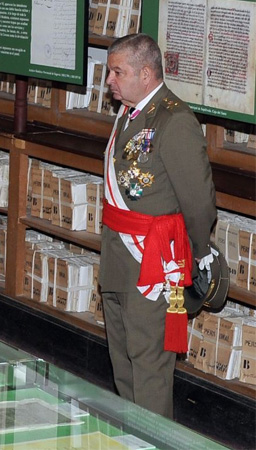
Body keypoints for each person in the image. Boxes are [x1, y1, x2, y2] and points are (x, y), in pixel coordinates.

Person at [100, 33, 216, 418]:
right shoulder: (129, 112)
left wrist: (199, 254)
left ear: (146, 73)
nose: (110, 81)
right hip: (118, 258)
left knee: (149, 369)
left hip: (152, 263)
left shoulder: (175, 120)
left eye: (118, 72)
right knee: (123, 363)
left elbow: (198, 204)